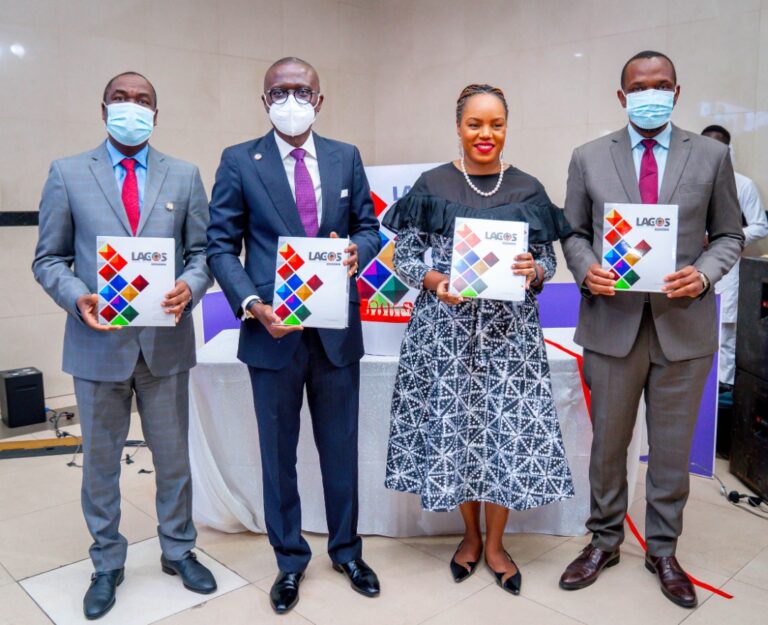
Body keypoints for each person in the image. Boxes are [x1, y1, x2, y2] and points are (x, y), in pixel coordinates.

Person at [559, 51, 743, 609]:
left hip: (681, 327)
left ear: (677, 91)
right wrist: (584, 268)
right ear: (622, 96)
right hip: (611, 324)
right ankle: (605, 540)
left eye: (661, 84)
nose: (650, 93)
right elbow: (572, 232)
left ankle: (663, 549)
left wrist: (704, 275)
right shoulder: (588, 157)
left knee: (669, 452)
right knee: (608, 448)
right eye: (639, 86)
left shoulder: (711, 156)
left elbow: (730, 235)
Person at [32, 72, 216, 620]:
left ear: (156, 115)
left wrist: (193, 284)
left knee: (175, 462)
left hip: (165, 346)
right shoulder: (67, 173)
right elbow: (48, 259)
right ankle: (107, 562)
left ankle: (178, 549)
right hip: (97, 345)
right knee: (101, 466)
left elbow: (202, 252)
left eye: (143, 101)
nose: (131, 107)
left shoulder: (184, 176)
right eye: (121, 99)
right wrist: (77, 296)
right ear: (103, 107)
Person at [383, 84, 575, 596]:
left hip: (510, 340)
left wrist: (535, 269)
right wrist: (434, 282)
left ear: (506, 127)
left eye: (495, 124)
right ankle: (468, 536)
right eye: (475, 124)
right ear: (459, 127)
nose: (485, 134)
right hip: (443, 335)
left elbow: (549, 263)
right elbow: (403, 258)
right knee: (459, 437)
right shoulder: (431, 183)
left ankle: (495, 544)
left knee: (503, 438)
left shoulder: (529, 189)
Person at [206, 57, 381, 615]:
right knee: (277, 454)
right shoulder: (239, 160)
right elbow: (219, 246)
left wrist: (361, 250)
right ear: (264, 101)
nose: (291, 100)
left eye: (301, 90)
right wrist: (252, 304)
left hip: (335, 332)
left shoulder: (345, 156)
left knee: (340, 448)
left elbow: (370, 228)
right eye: (279, 92)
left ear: (320, 100)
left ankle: (347, 550)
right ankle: (289, 560)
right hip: (271, 332)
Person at [700, 124, 768, 389]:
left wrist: (721, 237)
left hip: (726, 268)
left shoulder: (742, 184)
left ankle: (724, 389)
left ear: (727, 150)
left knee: (725, 332)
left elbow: (761, 226)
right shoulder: (686, 180)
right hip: (689, 267)